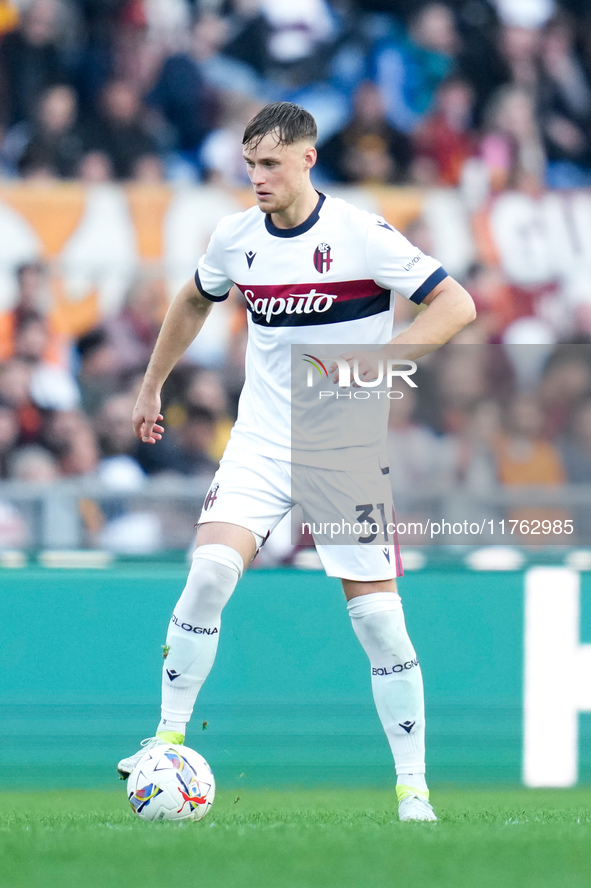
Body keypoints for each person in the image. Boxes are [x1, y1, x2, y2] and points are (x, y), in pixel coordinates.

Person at [118, 102, 476, 822]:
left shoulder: (361, 236)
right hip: (259, 442)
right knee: (210, 571)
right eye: (249, 164)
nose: (257, 178)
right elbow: (192, 300)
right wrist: (152, 382)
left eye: (270, 164)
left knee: (378, 622)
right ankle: (164, 740)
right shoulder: (234, 239)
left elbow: (455, 305)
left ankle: (413, 790)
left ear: (307, 160)